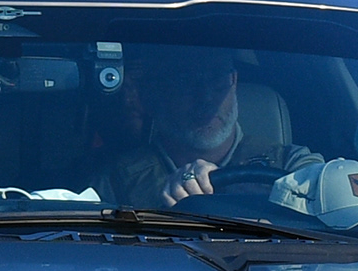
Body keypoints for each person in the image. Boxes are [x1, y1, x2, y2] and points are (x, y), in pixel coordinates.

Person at [106, 47, 318, 210]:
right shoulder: (116, 180)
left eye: (217, 79)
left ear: (233, 82)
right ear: (152, 96)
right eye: (185, 81)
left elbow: (337, 198)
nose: (206, 97)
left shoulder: (292, 163)